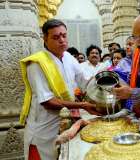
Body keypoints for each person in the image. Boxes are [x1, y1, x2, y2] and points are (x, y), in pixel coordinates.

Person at [19, 19, 99, 160]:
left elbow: (85, 82)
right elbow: (48, 102)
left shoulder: (68, 57)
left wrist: (105, 84)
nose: (62, 40)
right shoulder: (37, 64)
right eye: (56, 37)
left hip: (64, 123)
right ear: (45, 38)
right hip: (43, 129)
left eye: (64, 35)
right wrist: (83, 105)